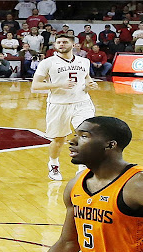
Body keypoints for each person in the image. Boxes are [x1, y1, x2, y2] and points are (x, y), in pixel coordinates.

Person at [22, 116, 143, 252]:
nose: (72, 141)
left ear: (110, 145)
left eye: (84, 136)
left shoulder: (137, 185)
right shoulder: (75, 184)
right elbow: (68, 243)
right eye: (75, 135)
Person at [31, 34, 99, 181]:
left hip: (82, 102)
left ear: (73, 45)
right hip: (58, 104)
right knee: (59, 139)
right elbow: (35, 86)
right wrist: (59, 84)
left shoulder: (84, 61)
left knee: (86, 134)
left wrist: (90, 84)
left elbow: (86, 78)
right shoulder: (48, 63)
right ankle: (53, 164)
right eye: (59, 42)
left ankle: (82, 167)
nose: (61, 44)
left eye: (64, 42)